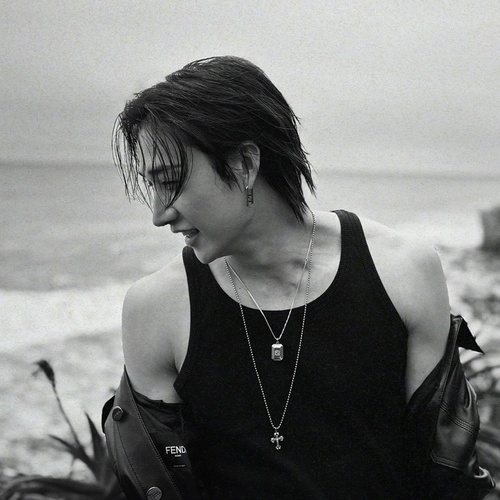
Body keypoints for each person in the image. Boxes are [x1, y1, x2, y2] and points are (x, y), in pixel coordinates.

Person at [103, 56, 493, 499]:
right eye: (151, 186)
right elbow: (161, 483)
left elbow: (446, 476)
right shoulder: (155, 308)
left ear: (244, 164)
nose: (158, 214)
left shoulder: (402, 270)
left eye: (170, 181)